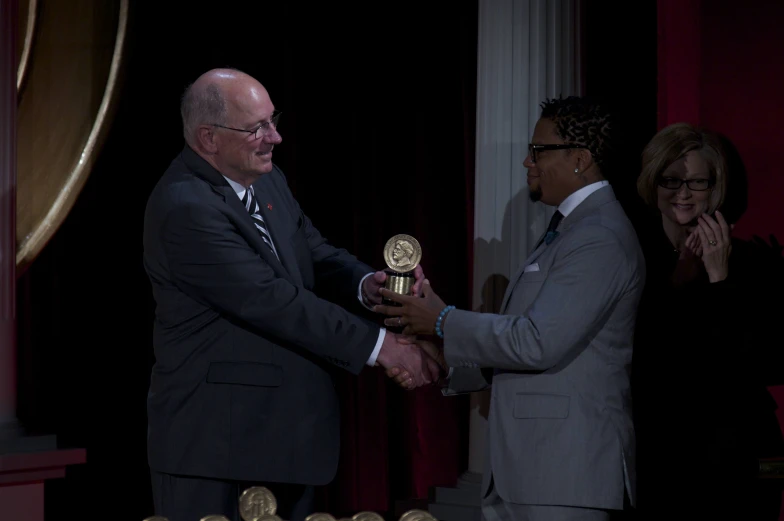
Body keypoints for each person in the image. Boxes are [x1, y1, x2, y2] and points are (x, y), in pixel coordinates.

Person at [142, 68, 439, 521]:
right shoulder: (186, 207)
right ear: (208, 138)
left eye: (272, 120)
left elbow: (312, 251)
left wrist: (367, 286)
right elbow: (273, 300)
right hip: (218, 450)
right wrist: (385, 350)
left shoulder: (266, 180)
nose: (274, 137)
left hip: (281, 439)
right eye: (256, 127)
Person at [377, 96, 646, 521]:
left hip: (564, 476)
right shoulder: (572, 230)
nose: (527, 161)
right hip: (534, 472)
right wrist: (442, 354)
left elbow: (537, 343)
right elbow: (532, 348)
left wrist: (444, 320)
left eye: (539, 150)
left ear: (579, 159)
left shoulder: (599, 236)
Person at [629, 122, 784, 520]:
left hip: (736, 460)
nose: (682, 193)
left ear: (715, 187)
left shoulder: (753, 262)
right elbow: (643, 362)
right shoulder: (632, 261)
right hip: (661, 457)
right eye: (670, 180)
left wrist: (720, 280)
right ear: (653, 182)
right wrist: (677, 286)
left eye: (696, 182)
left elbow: (763, 363)